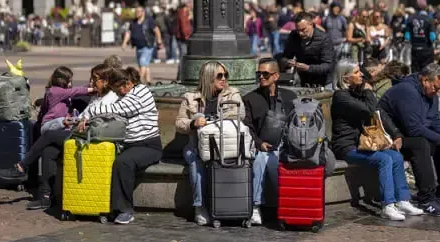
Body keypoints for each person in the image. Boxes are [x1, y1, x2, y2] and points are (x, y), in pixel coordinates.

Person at [0, 58, 122, 210]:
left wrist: (83, 120)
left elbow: (101, 119)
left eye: (95, 79)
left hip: (90, 138)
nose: (92, 82)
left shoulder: (110, 99)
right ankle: (45, 197)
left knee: (49, 135)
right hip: (80, 133)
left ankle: (21, 167)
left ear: (106, 81)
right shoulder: (97, 96)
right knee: (48, 151)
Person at [331, 60, 424, 221]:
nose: (361, 74)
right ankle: (387, 206)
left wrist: (396, 134)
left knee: (396, 156)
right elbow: (370, 110)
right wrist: (368, 91)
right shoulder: (341, 97)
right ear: (345, 78)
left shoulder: (355, 92)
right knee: (384, 159)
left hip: (363, 145)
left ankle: (403, 200)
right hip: (346, 146)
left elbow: (379, 112)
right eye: (356, 72)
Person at [379, 64, 440, 217]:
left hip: (405, 135)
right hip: (389, 138)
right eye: (435, 87)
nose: (437, 92)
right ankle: (426, 199)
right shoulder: (406, 91)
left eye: (439, 89)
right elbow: (413, 128)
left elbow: (434, 121)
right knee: (421, 145)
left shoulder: (429, 93)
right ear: (425, 80)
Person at [78, 67, 162, 224]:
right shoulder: (124, 95)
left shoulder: (141, 93)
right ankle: (99, 204)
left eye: (118, 89)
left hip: (148, 145)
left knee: (123, 162)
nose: (118, 93)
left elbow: (115, 109)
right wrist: (86, 116)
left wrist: (89, 114)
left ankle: (125, 210)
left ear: (128, 84)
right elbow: (104, 107)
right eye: (115, 90)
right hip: (128, 145)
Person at [175, 61, 243, 226]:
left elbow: (240, 114)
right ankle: (200, 207)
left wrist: (213, 120)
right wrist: (193, 123)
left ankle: (226, 206)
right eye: (219, 76)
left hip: (223, 145)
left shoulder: (232, 94)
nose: (224, 79)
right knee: (195, 159)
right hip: (196, 145)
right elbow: (179, 123)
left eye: (225, 75)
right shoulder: (191, 97)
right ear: (208, 77)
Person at [243, 58, 297, 225]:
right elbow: (247, 127)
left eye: (265, 74)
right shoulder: (250, 99)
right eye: (258, 73)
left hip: (285, 146)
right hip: (262, 147)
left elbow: (296, 123)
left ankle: (286, 206)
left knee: (276, 161)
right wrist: (259, 143)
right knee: (262, 159)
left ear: (276, 76)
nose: (261, 77)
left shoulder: (290, 97)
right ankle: (256, 207)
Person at [279, 12, 336, 88]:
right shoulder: (294, 36)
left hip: (323, 82)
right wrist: (287, 62)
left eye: (303, 29)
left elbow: (328, 65)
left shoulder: (324, 38)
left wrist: (308, 68)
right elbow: (284, 57)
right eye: (298, 30)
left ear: (311, 24)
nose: (300, 33)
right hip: (303, 81)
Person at [37, 66, 94, 134]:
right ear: (60, 80)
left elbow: (80, 88)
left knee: (75, 121)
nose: (70, 84)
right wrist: (93, 89)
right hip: (49, 125)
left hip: (60, 125)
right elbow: (76, 91)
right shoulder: (54, 91)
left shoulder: (64, 92)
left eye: (71, 81)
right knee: (63, 120)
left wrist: (92, 84)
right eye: (68, 81)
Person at [121, 6, 162, 85]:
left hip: (148, 46)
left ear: (143, 12)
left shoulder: (149, 21)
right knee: (143, 65)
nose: (137, 13)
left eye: (138, 11)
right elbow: (128, 33)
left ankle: (138, 82)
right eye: (136, 11)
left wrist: (159, 40)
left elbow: (156, 30)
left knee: (142, 62)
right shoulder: (133, 22)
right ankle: (148, 82)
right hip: (138, 47)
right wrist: (124, 43)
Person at [405, 0, 436, 72]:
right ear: (426, 7)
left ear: (416, 6)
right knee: (427, 72)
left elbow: (407, 36)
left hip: (415, 49)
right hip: (427, 50)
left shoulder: (410, 18)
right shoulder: (430, 19)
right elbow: (432, 37)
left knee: (415, 71)